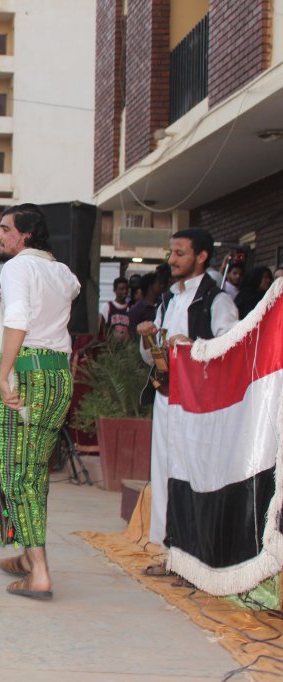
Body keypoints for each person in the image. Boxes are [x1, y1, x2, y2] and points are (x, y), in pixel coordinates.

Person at [0, 203, 80, 601]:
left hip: (26, 374)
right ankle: (28, 556)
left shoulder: (17, 268)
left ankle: (39, 571)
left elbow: (18, 317)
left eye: (5, 229)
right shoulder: (62, 273)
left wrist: (2, 372)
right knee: (35, 471)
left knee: (16, 474)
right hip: (58, 376)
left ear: (25, 235)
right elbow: (67, 303)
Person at [138, 228, 238, 572]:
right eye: (172, 253)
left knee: (194, 473)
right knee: (166, 473)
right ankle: (172, 552)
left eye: (180, 253)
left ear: (201, 256)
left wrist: (193, 345)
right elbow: (155, 358)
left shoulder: (217, 300)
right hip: (167, 398)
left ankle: (196, 555)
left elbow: (231, 350)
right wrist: (151, 340)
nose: (172, 260)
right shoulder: (170, 298)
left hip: (200, 408)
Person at [127, 268, 168, 337]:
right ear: (150, 286)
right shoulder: (136, 310)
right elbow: (133, 335)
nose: (162, 285)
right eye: (158, 283)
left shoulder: (163, 304)